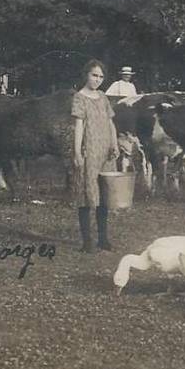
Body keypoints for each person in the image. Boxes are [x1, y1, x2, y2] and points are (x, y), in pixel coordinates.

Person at [72, 60, 119, 253]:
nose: (97, 80)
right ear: (86, 75)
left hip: (106, 152)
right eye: (94, 75)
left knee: (104, 195)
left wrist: (114, 144)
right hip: (89, 151)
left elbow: (110, 123)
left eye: (101, 77)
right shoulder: (79, 97)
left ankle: (103, 239)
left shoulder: (103, 97)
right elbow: (79, 127)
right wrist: (77, 152)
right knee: (86, 195)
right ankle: (87, 241)